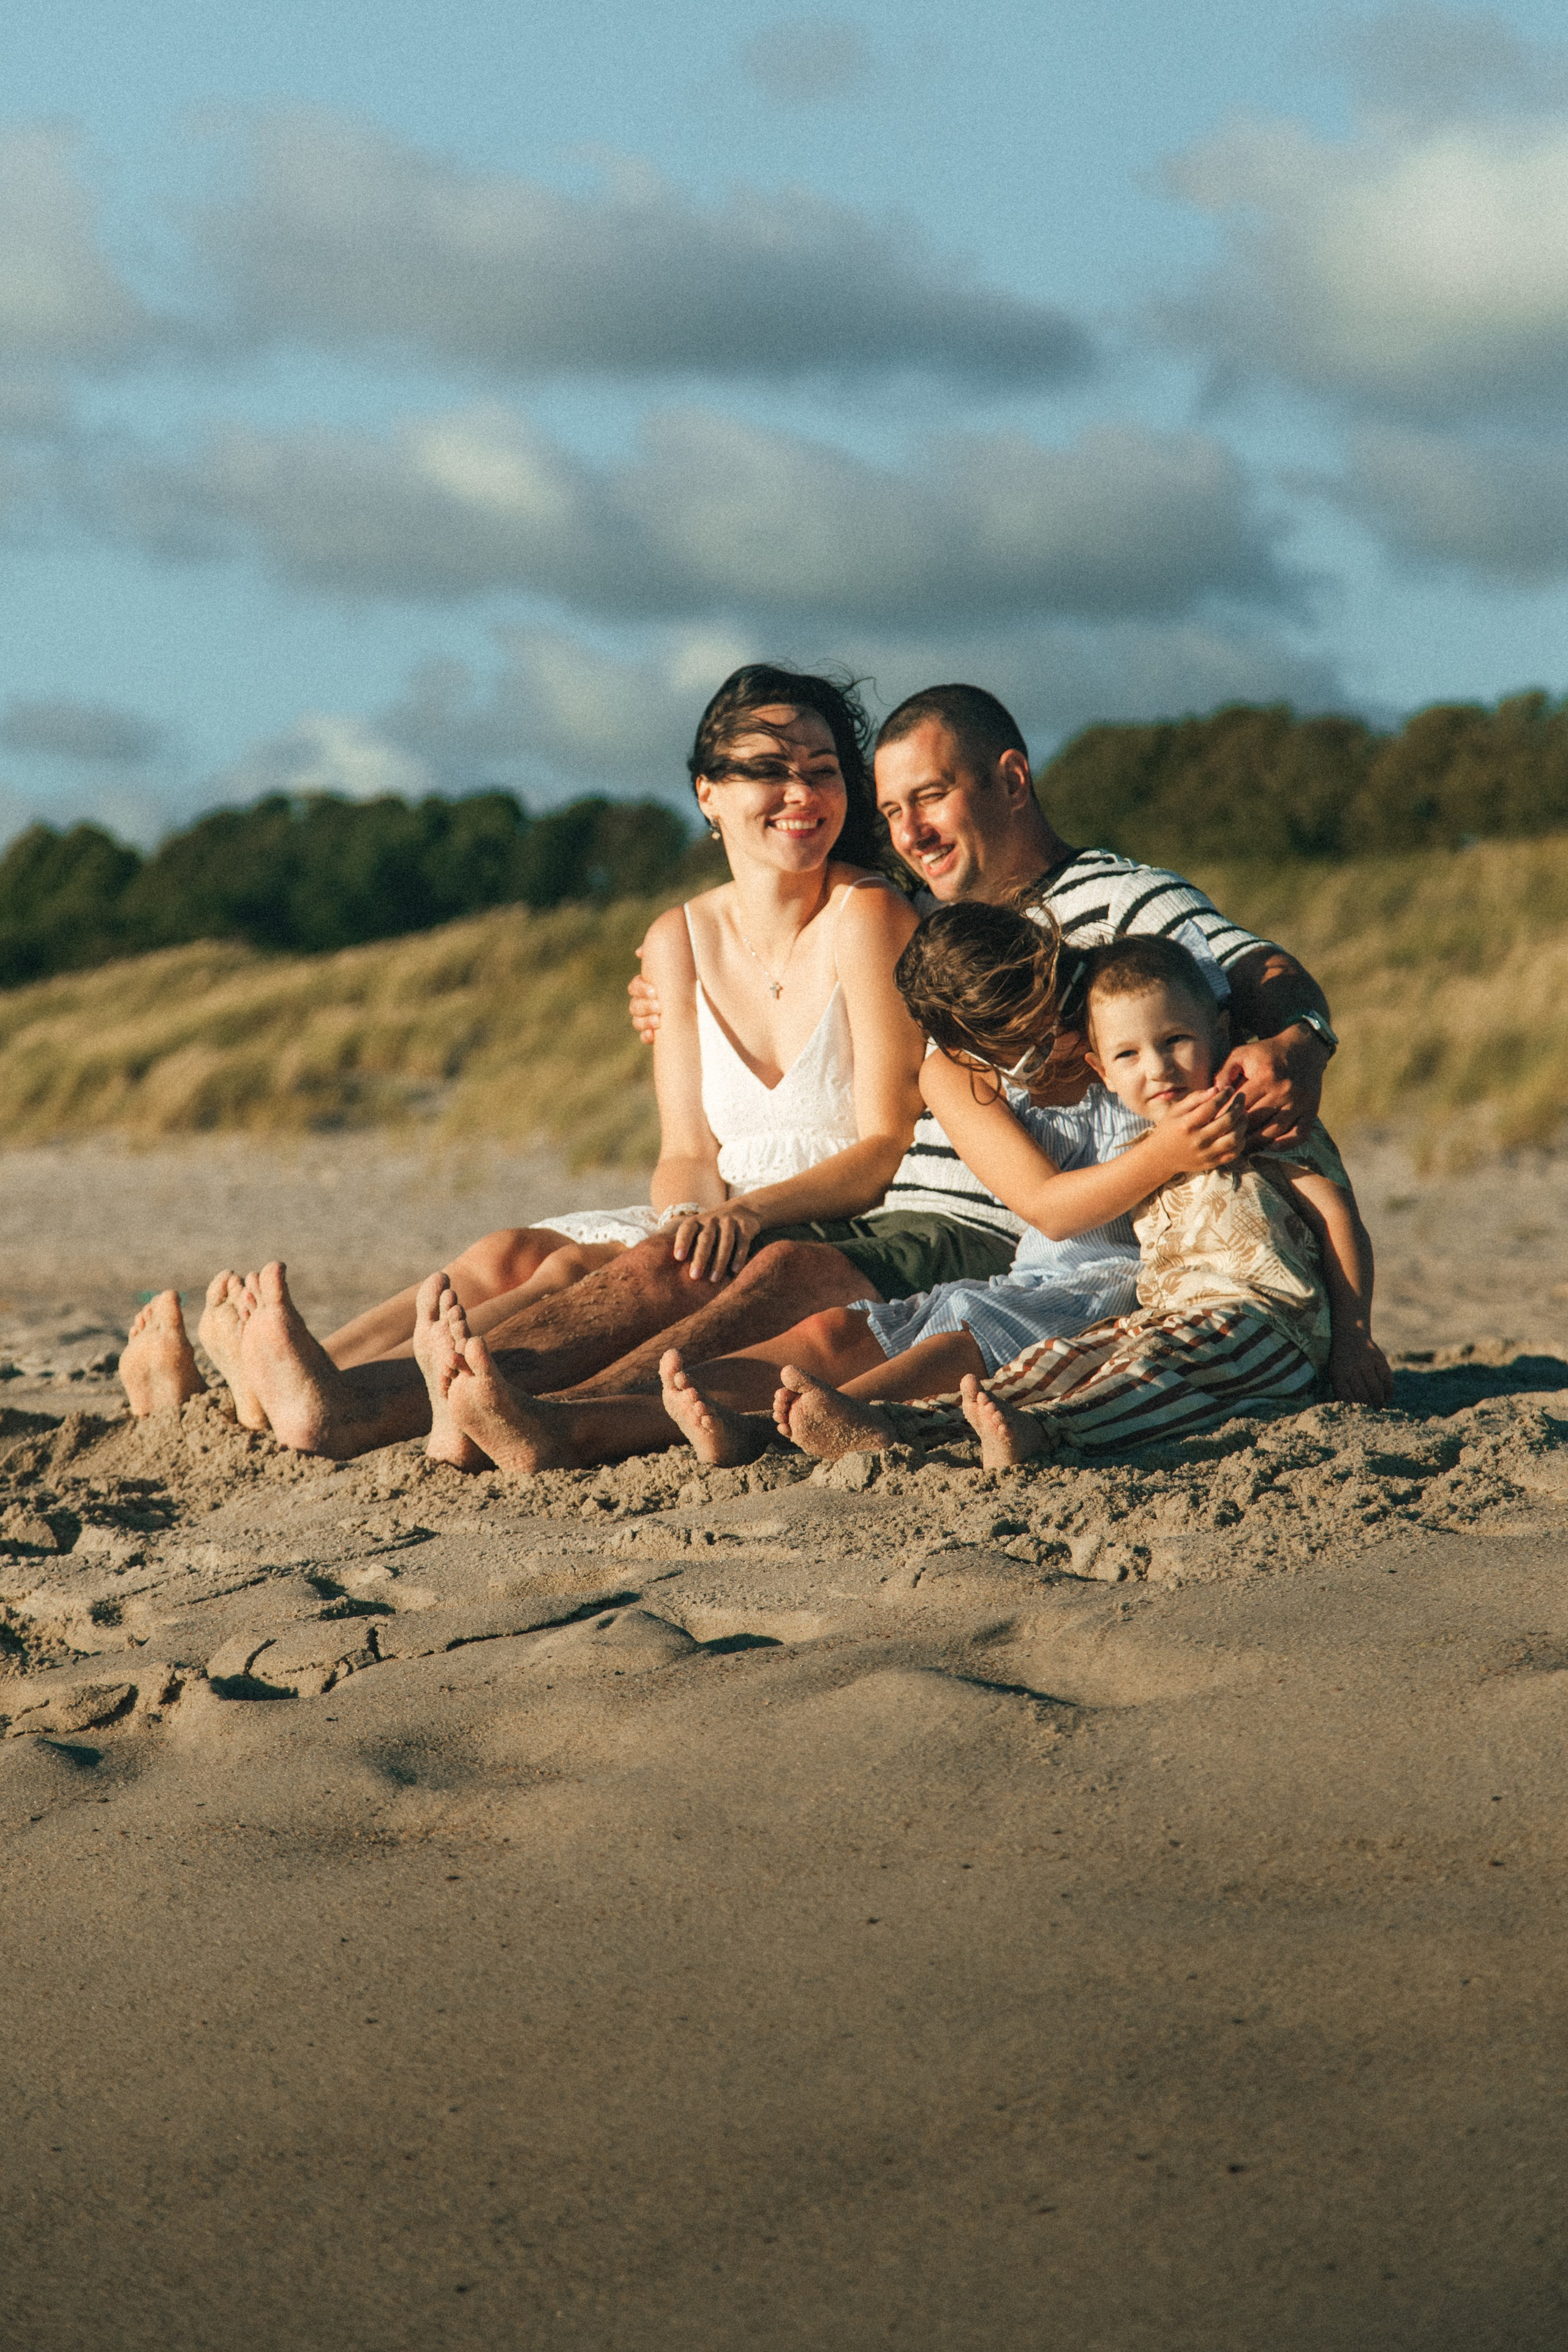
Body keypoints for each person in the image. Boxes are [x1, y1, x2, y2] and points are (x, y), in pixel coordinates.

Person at [118, 665, 927, 1442]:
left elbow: (885, 1143)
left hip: (824, 1214)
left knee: (574, 1276)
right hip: (716, 1214)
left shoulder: (867, 914)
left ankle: (353, 1400)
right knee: (508, 1255)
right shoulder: (677, 940)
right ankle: (273, 1384)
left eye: (823, 771)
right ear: (708, 794)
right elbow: (685, 1151)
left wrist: (734, 1219)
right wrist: (686, 1220)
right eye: (769, 770)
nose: (803, 794)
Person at [764, 932, 1392, 1467]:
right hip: (1165, 1315)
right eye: (1128, 1055)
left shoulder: (1249, 1114)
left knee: (1148, 1371)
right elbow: (1055, 1206)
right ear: (1102, 1070)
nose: (1157, 1068)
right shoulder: (1146, 1139)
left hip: (1267, 1325)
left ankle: (1051, 1434)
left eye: (1175, 1041)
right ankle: (893, 1428)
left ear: (1219, 1032)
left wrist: (1353, 1338)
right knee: (1055, 1365)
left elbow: (1336, 1215)